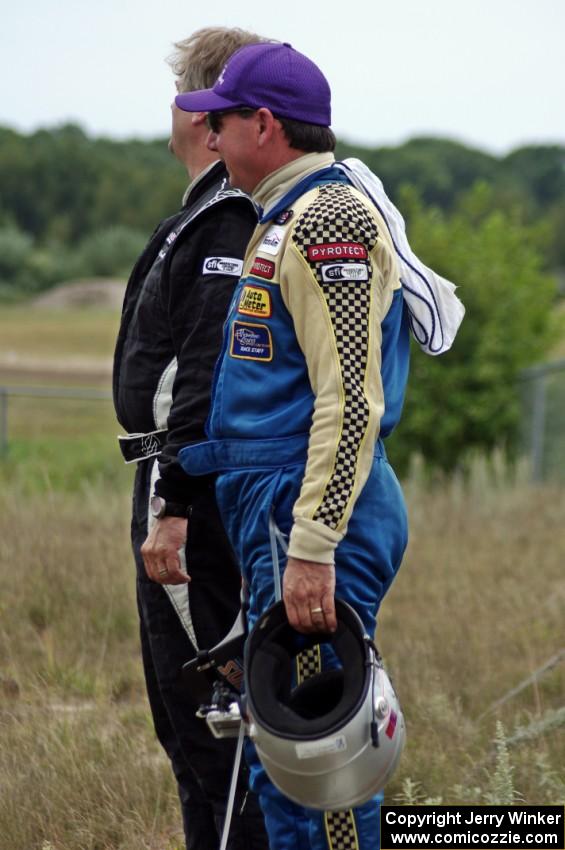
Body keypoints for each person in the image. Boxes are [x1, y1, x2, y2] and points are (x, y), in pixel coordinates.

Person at [176, 41, 413, 850]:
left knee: (318, 761)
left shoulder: (329, 218)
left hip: (307, 514)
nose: (210, 140)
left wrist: (313, 546)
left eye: (222, 123)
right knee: (289, 753)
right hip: (281, 510)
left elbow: (351, 402)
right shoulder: (289, 211)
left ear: (264, 124)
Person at [112, 28, 270, 850]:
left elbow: (207, 376)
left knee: (214, 731)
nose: (173, 111)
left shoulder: (225, 218)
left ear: (209, 119)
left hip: (191, 497)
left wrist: (172, 503)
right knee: (191, 730)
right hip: (174, 485)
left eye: (185, 95)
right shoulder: (206, 209)